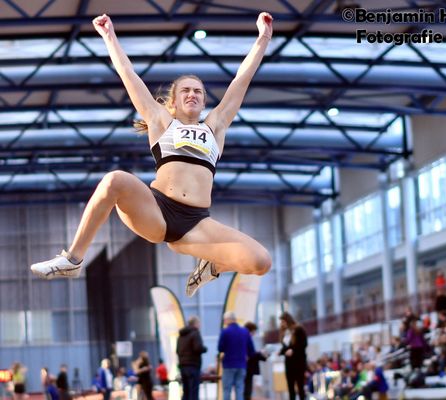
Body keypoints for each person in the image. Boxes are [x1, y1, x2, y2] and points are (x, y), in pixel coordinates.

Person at [29, 11, 273, 298]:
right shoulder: (161, 122)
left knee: (261, 262)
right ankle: (72, 259)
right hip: (156, 210)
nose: (192, 94)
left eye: (198, 91)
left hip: (196, 222)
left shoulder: (215, 126)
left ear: (205, 100)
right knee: (114, 180)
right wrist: (109, 37)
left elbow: (241, 81)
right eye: (185, 91)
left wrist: (263, 39)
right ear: (174, 99)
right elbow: (127, 74)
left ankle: (213, 265)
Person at [218, 312, 255, 400]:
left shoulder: (225, 332)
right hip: (241, 364)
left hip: (229, 364)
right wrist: (246, 356)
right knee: (239, 389)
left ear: (228, 319)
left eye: (225, 320)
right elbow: (252, 350)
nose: (224, 322)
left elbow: (220, 348)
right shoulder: (245, 331)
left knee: (227, 389)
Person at [278, 312, 308, 400]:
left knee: (300, 387)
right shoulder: (284, 333)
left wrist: (293, 351)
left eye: (283, 321)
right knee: (291, 389)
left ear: (288, 321)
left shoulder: (299, 329)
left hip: (299, 363)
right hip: (289, 364)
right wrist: (280, 352)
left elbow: (303, 344)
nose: (282, 324)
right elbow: (285, 348)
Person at [177, 316, 207, 400]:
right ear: (196, 323)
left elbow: (177, 350)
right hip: (193, 365)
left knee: (186, 391)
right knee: (193, 391)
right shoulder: (195, 333)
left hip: (183, 366)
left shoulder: (181, 336)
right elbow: (197, 348)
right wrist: (204, 349)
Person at [243, 322, 267, 400]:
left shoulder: (244, 338)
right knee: (247, 387)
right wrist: (261, 354)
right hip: (248, 367)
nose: (254, 334)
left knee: (245, 386)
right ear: (250, 331)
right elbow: (251, 353)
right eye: (253, 332)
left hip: (244, 366)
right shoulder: (247, 339)